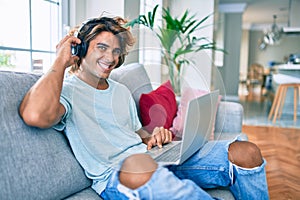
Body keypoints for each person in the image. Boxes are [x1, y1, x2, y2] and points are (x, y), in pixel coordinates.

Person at [19, 16, 269, 199]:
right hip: (118, 174)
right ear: (80, 48)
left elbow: (138, 135)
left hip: (153, 158)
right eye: (102, 47)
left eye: (116, 51)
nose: (111, 57)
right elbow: (34, 114)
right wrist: (61, 60)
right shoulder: (67, 90)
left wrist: (156, 136)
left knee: (245, 152)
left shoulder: (120, 90)